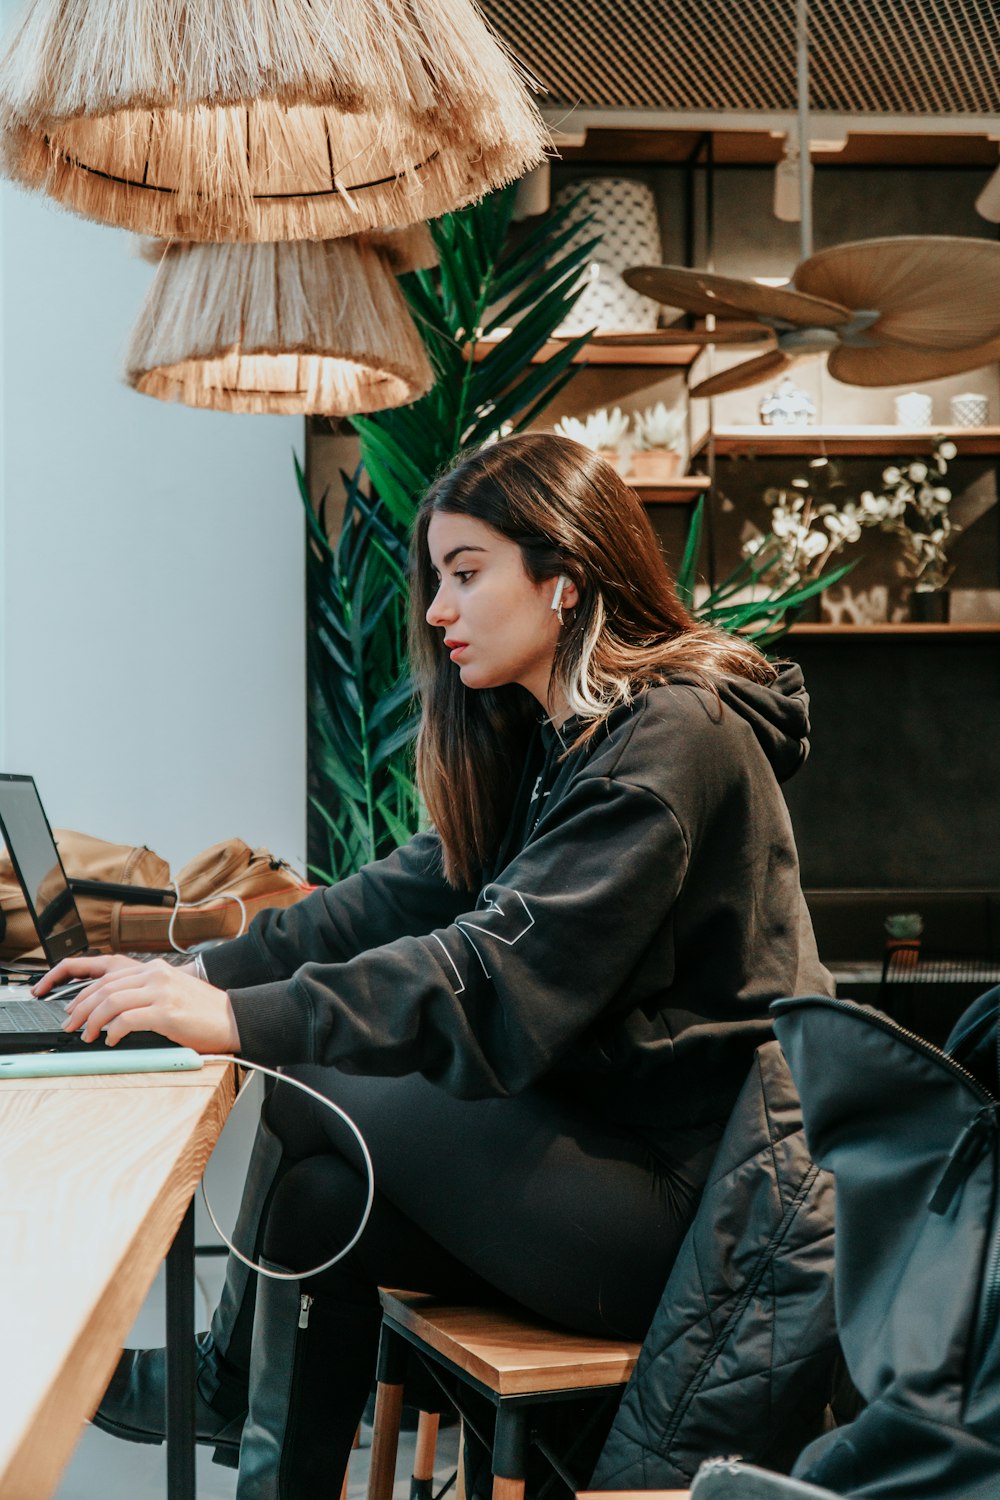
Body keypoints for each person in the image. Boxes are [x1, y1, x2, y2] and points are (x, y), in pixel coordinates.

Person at [39, 433, 832, 1498]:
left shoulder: (670, 742)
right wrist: (193, 976)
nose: (435, 610)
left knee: (307, 1073)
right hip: (592, 1162)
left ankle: (221, 1381)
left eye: (466, 574)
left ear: (565, 577)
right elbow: (383, 905)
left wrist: (234, 1022)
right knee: (319, 1203)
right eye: (438, 580)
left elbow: (488, 976)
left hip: (684, 1219)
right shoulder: (555, 746)